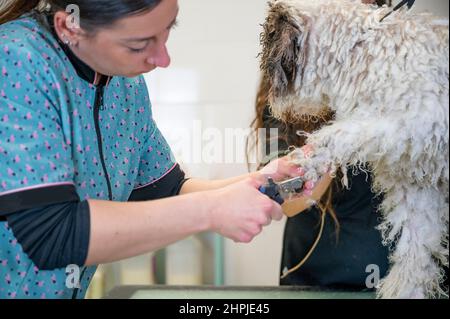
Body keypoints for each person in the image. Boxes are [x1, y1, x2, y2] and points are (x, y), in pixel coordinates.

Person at [0, 0, 313, 299]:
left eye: (168, 30)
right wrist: (212, 211)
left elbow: (168, 191)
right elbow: (53, 233)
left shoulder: (125, 83)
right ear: (70, 27)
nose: (163, 59)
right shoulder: (15, 61)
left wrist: (259, 180)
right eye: (138, 45)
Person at [249, 0, 393, 290]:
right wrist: (337, 134)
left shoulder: (401, 74)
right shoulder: (285, 81)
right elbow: (285, 198)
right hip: (316, 274)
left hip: (400, 270)